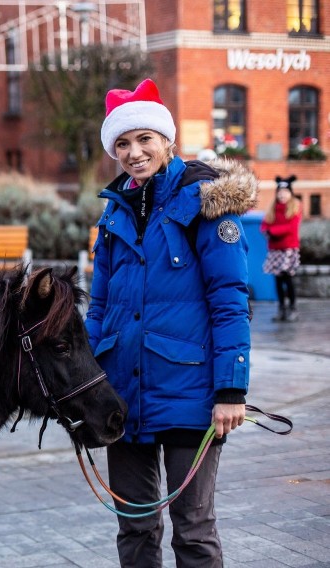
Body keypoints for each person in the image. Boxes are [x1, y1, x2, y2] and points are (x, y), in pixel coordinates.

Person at [86, 78, 256, 567]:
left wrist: (231, 390)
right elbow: (98, 313)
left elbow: (229, 301)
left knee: (194, 531)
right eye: (122, 143)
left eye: (144, 139)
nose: (134, 153)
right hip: (123, 396)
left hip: (191, 394)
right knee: (135, 529)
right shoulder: (115, 215)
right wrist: (89, 390)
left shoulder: (205, 203)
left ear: (167, 140)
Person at [261, 175, 302, 322]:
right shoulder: (272, 208)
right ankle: (281, 308)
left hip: (288, 249)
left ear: (290, 193)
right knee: (278, 280)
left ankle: (293, 308)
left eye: (285, 192)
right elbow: (265, 224)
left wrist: (273, 231)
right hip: (275, 249)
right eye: (280, 192)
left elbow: (291, 227)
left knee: (288, 279)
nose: (282, 195)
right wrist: (266, 230)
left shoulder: (295, 207)